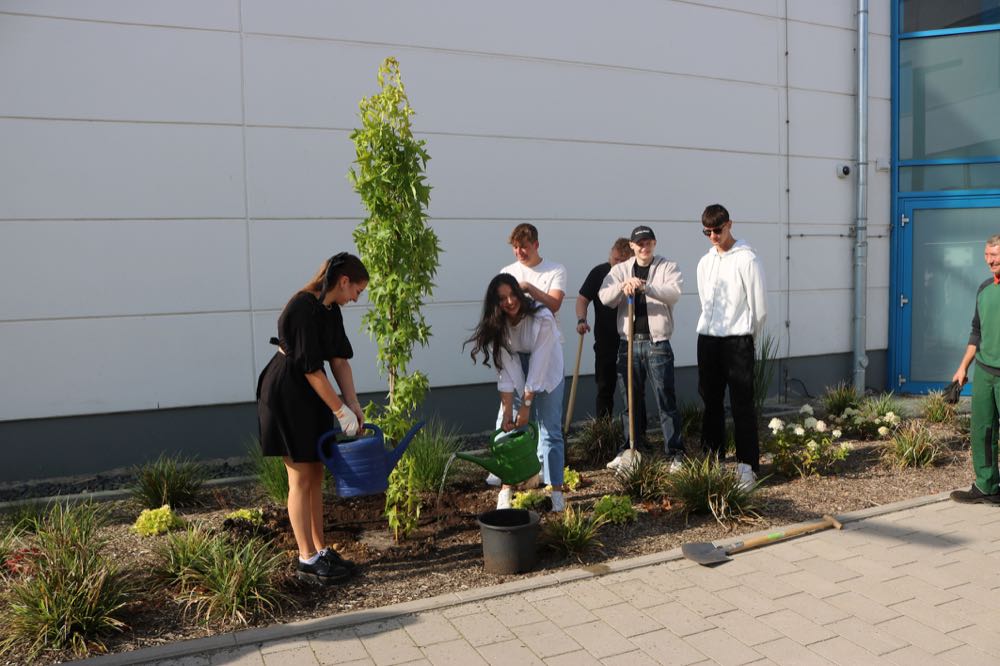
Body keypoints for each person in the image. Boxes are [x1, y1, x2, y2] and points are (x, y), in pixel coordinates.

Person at [256, 252, 369, 584]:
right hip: (287, 393)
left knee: (317, 474)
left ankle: (321, 550)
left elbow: (339, 361)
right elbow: (311, 368)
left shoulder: (330, 309)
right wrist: (338, 410)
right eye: (357, 291)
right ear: (343, 281)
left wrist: (354, 404)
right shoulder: (303, 307)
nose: (355, 299)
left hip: (312, 395)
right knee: (300, 478)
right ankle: (306, 559)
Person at [466, 274, 566, 511]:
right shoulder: (497, 325)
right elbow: (505, 372)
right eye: (502, 299)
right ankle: (506, 490)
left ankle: (557, 493)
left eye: (512, 295)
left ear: (519, 294)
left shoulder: (542, 317)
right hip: (518, 369)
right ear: (495, 303)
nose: (510, 302)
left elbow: (539, 365)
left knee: (550, 432)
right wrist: (509, 410)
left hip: (548, 368)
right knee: (509, 432)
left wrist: (526, 405)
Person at [485, 222, 566, 488]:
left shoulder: (554, 272)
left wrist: (529, 288)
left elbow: (553, 305)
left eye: (524, 247)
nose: (519, 252)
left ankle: (552, 485)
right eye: (515, 247)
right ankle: (509, 474)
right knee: (508, 418)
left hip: (546, 354)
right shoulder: (502, 318)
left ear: (536, 245)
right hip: (517, 354)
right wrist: (511, 408)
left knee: (547, 425)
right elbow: (505, 368)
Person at [599, 225, 684, 469]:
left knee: (665, 399)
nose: (645, 247)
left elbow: (674, 292)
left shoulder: (667, 266)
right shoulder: (620, 270)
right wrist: (623, 286)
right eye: (640, 243)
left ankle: (675, 452)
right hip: (628, 343)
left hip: (657, 343)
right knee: (630, 401)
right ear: (632, 246)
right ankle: (631, 448)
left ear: (654, 244)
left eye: (649, 242)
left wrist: (646, 286)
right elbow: (605, 297)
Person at [696, 204, 767, 490]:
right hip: (708, 338)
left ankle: (747, 465)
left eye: (717, 229)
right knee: (710, 401)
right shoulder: (705, 262)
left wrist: (749, 337)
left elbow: (759, 305)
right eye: (707, 231)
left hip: (738, 339)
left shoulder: (747, 259)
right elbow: (705, 301)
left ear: (729, 225)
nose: (713, 236)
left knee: (742, 404)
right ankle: (712, 459)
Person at [950, 234, 1000, 505]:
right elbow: (976, 332)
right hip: (984, 371)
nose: (989, 260)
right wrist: (962, 368)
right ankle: (987, 485)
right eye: (986, 255)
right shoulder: (984, 288)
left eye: (994, 255)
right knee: (982, 430)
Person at [576, 238, 633, 419]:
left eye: (622, 261)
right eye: (615, 259)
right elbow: (582, 299)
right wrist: (581, 319)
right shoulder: (600, 272)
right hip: (605, 339)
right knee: (604, 387)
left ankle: (634, 436)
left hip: (630, 339)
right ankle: (603, 431)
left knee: (632, 390)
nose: (617, 264)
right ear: (611, 254)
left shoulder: (635, 275)